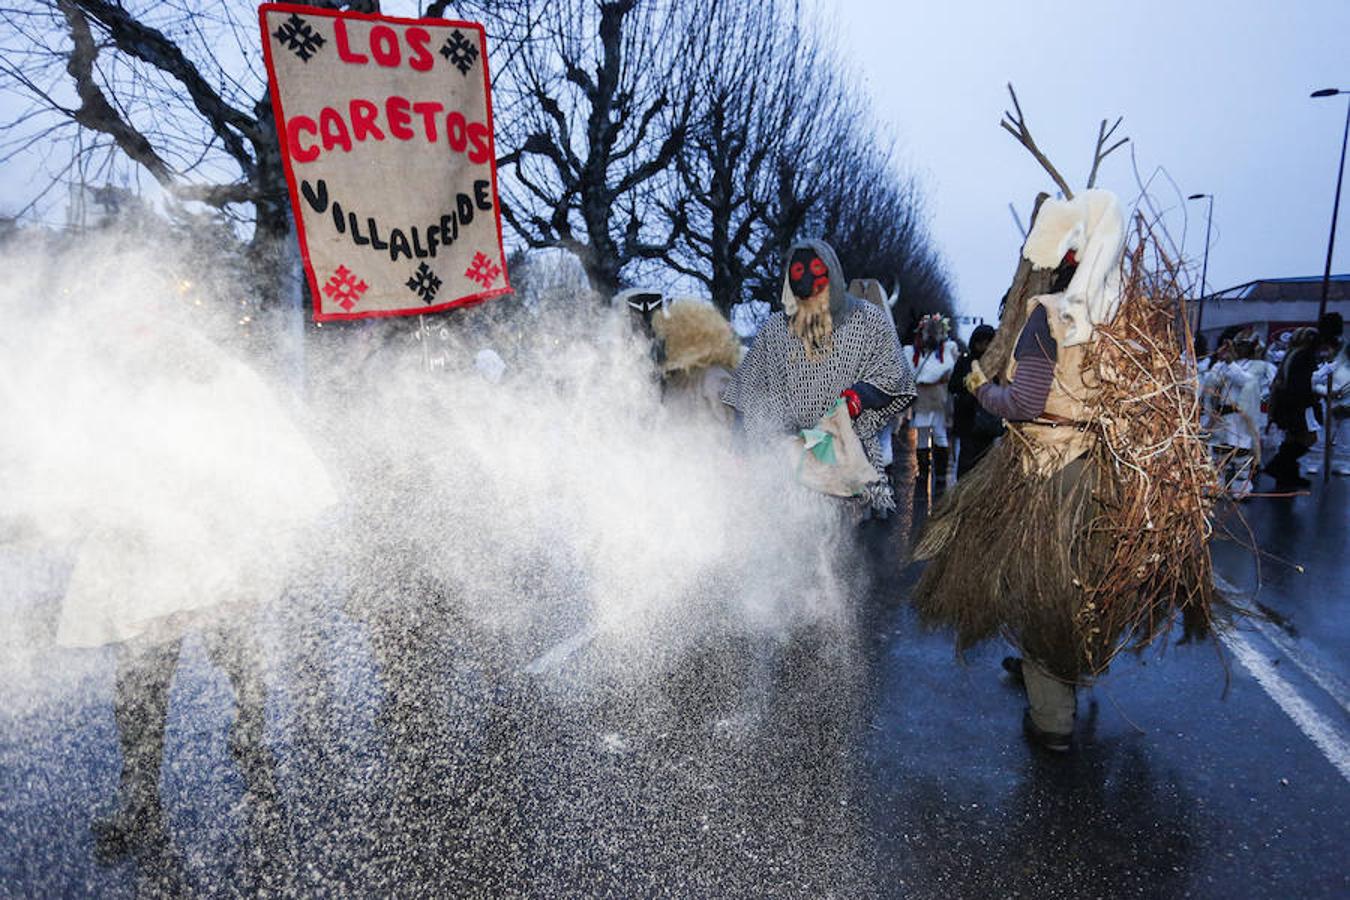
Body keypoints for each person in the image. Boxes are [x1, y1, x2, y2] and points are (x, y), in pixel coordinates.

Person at [911, 189, 1219, 753]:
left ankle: (1051, 716)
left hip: (1047, 475)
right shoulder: (1127, 323)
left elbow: (1024, 403)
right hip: (1105, 475)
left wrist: (982, 389)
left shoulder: (1047, 317)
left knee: (1040, 588)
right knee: (1084, 586)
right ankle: (1062, 667)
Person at [722, 238, 915, 516]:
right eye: (799, 272)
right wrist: (740, 446)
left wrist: (860, 396)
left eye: (815, 269)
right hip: (791, 466)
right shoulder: (775, 331)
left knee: (855, 543)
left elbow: (893, 373)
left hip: (848, 461)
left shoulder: (868, 321)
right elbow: (748, 394)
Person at [651, 298, 742, 432]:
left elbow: (725, 436)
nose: (664, 340)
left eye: (670, 334)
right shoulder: (674, 378)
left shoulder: (714, 379)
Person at [902, 315, 959, 492]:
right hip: (924, 400)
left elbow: (948, 371)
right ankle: (925, 472)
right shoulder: (913, 353)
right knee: (923, 436)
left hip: (938, 399)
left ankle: (939, 473)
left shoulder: (947, 351)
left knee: (938, 435)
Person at [1264, 326, 1324, 491]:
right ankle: (1278, 467)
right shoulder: (1303, 356)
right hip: (1298, 404)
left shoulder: (1293, 354)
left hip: (1288, 403)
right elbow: (1302, 383)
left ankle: (1288, 475)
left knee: (1293, 438)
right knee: (1306, 438)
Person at [949, 323, 1002, 478]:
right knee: (967, 463)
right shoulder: (965, 362)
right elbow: (953, 386)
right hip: (968, 421)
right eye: (981, 342)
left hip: (988, 422)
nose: (984, 346)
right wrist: (970, 384)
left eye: (988, 342)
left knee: (985, 464)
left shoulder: (997, 364)